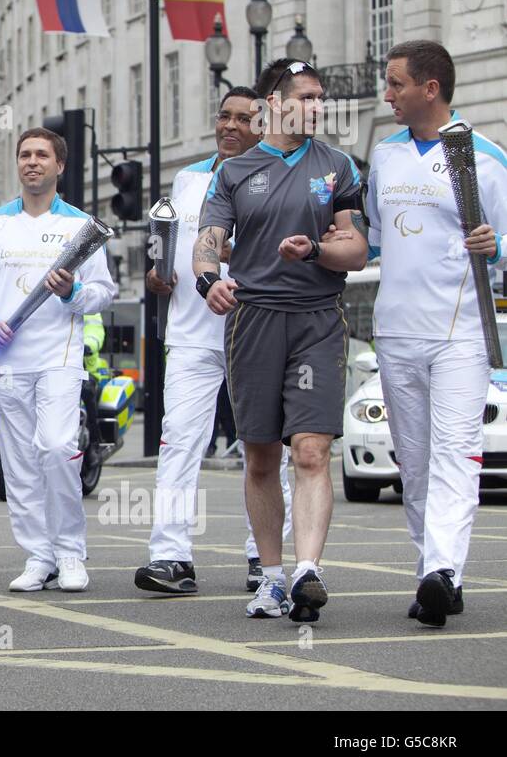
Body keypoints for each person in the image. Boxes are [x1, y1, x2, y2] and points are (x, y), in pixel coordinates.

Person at [194, 59, 369, 621]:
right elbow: (208, 241)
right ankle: (270, 578)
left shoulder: (338, 166)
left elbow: (357, 250)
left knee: (312, 450)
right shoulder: (234, 171)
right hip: (255, 319)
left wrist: (315, 250)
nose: (319, 107)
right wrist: (208, 281)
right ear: (274, 101)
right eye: (308, 97)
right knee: (262, 455)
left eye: (321, 98)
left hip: (318, 318)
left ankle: (307, 570)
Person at [367, 40, 507, 626]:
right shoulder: (383, 156)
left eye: (397, 83)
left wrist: (495, 247)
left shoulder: (485, 158)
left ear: (431, 88)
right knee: (417, 463)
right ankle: (433, 571)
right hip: (396, 330)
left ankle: (443, 570)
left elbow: (504, 243)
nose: (388, 94)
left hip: (460, 332)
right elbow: (373, 239)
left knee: (455, 453)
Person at [135, 87, 293, 596]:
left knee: (264, 448)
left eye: (243, 118)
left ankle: (261, 555)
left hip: (255, 330)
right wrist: (156, 276)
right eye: (223, 115)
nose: (230, 125)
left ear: (263, 124)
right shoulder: (187, 179)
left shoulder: (279, 176)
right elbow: (167, 247)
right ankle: (170, 556)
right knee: (179, 439)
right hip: (191, 333)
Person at [0, 126, 117, 592]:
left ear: (59, 165)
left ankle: (70, 552)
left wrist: (72, 292)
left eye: (42, 155)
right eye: (25, 154)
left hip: (59, 356)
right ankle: (38, 555)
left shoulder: (80, 227)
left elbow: (103, 292)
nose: (32, 162)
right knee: (20, 461)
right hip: (6, 359)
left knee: (55, 447)